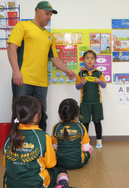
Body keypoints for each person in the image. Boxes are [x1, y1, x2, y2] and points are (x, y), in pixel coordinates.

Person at [7, 1, 76, 131]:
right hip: (23, 79)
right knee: (19, 113)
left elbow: (55, 58)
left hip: (41, 83)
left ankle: (41, 143)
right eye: (47, 14)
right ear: (38, 11)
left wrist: (67, 70)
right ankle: (15, 145)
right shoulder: (23, 25)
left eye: (50, 15)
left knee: (41, 114)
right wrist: (16, 71)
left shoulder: (49, 37)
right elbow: (11, 47)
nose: (49, 17)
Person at [3, 95, 73, 188]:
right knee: (59, 170)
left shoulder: (10, 137)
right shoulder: (43, 137)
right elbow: (51, 163)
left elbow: (6, 163)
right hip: (37, 185)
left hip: (10, 185)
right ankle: (61, 185)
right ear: (36, 116)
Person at [75, 50, 107, 148]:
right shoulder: (81, 73)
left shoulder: (98, 73)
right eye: (87, 58)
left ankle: (99, 141)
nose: (90, 60)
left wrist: (99, 81)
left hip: (97, 102)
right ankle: (86, 142)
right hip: (85, 102)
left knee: (97, 121)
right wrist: (82, 83)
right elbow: (77, 87)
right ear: (84, 60)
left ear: (95, 60)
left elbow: (104, 85)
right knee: (85, 123)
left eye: (92, 58)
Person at [51, 98, 92, 169]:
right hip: (78, 162)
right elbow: (86, 148)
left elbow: (54, 146)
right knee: (90, 148)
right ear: (76, 115)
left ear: (60, 114)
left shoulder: (56, 127)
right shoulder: (81, 126)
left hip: (60, 163)